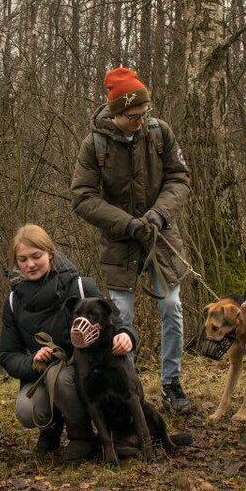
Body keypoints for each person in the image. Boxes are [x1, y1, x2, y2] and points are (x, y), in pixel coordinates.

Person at [70, 67, 193, 413]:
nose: (140, 120)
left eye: (144, 113)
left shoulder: (159, 133)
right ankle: (129, 385)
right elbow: (82, 196)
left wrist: (158, 214)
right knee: (121, 315)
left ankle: (172, 383)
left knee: (171, 307)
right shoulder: (94, 145)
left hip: (160, 235)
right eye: (133, 115)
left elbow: (180, 178)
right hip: (119, 241)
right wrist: (127, 224)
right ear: (116, 113)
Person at [0, 224, 139, 463]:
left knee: (63, 378)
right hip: (45, 374)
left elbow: (118, 321)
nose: (30, 264)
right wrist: (32, 361)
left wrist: (127, 336)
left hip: (92, 369)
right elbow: (8, 355)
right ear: (15, 262)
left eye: (36, 256)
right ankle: (51, 429)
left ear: (50, 254)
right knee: (27, 409)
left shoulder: (81, 286)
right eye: (22, 260)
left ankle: (84, 438)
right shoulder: (13, 301)